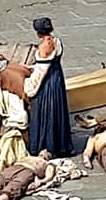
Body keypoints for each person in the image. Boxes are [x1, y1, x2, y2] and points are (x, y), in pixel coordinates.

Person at [25, 17, 72, 157]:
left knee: (45, 109)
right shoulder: (57, 42)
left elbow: (42, 70)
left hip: (47, 81)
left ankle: (45, 144)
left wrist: (30, 86)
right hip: (57, 76)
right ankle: (60, 145)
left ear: (39, 33)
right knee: (58, 108)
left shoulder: (43, 47)